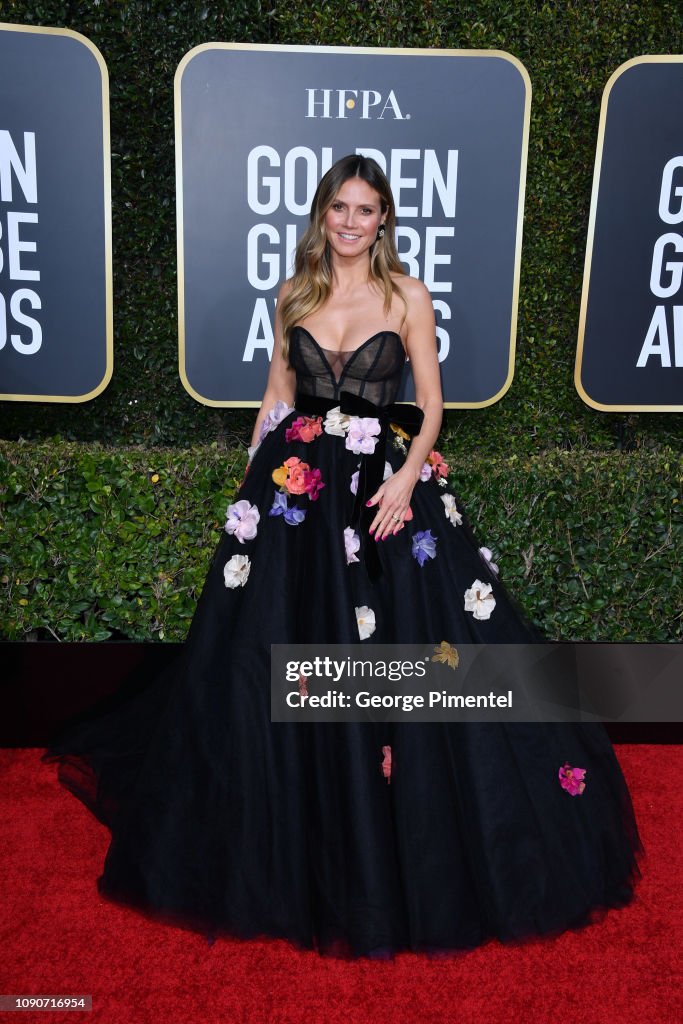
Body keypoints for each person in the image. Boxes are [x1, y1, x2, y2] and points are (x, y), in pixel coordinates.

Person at [44, 154, 643, 960]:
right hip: (293, 496)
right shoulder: (295, 293)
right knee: (272, 660)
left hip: (379, 491)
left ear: (384, 220)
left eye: (366, 210)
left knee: (418, 657)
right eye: (339, 208)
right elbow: (278, 396)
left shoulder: (406, 297)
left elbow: (429, 406)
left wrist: (403, 479)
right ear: (322, 214)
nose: (351, 222)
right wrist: (251, 490)